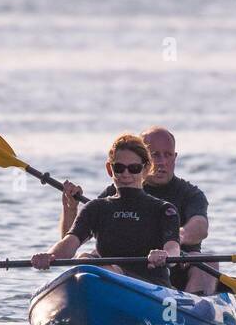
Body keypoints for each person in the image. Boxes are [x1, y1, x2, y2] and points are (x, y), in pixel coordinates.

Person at [56, 126, 216, 294]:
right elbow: (70, 242)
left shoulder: (190, 194)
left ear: (175, 157)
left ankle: (191, 308)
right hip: (123, 267)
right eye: (154, 154)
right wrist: (70, 210)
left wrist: (173, 238)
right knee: (86, 258)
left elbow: (200, 227)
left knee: (207, 261)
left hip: (174, 265)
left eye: (167, 155)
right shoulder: (114, 193)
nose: (161, 161)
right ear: (145, 158)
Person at [31, 134, 180, 286]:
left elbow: (173, 248)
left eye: (134, 168)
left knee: (92, 265)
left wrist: (165, 255)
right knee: (84, 259)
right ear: (110, 169)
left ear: (146, 168)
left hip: (151, 285)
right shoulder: (96, 208)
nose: (125, 174)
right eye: (119, 168)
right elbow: (69, 243)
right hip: (106, 279)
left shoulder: (164, 210)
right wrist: (49, 255)